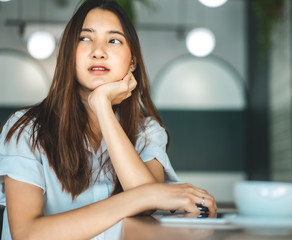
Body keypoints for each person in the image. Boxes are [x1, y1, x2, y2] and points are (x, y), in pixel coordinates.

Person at [0, 0, 217, 239]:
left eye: (114, 40)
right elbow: (27, 234)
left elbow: (147, 205)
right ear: (68, 54)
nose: (98, 51)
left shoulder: (147, 131)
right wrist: (145, 196)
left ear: (132, 60)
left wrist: (102, 106)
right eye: (84, 38)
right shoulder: (26, 129)